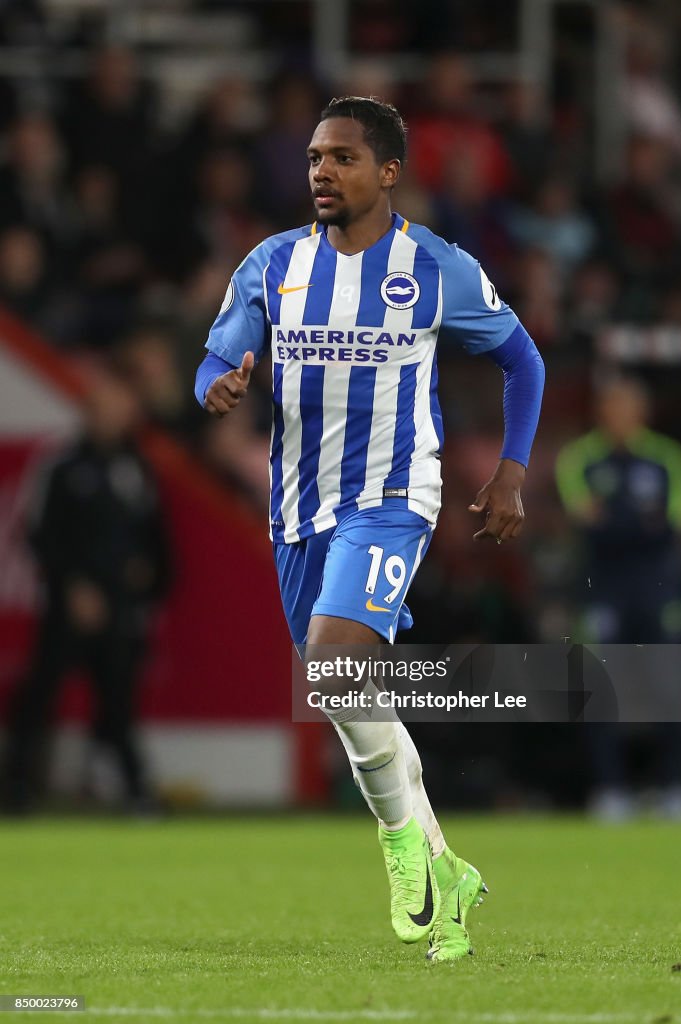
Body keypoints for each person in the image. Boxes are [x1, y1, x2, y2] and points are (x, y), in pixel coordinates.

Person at [194, 97, 544, 961]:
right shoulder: (273, 265)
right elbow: (216, 353)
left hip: (392, 497)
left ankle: (400, 857)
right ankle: (443, 865)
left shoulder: (437, 268)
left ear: (388, 172)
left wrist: (510, 469)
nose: (322, 171)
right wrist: (217, 383)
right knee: (347, 693)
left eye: (343, 158)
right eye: (315, 157)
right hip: (295, 509)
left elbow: (523, 360)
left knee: (338, 664)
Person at [3, 370, 171, 814]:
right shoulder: (62, 466)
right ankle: (16, 787)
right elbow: (41, 534)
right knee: (40, 695)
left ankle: (134, 790)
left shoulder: (136, 468)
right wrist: (72, 585)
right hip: (67, 604)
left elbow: (153, 537)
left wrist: (149, 577)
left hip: (119, 606)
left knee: (118, 700)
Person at [556, 376, 681, 820]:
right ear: (601, 413)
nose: (618, 416)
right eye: (610, 407)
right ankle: (611, 790)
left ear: (641, 412)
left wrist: (615, 521)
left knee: (672, 686)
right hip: (603, 587)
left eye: (626, 406)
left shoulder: (668, 459)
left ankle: (676, 787)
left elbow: (678, 522)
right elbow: (584, 519)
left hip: (659, 586)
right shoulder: (580, 458)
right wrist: (640, 522)